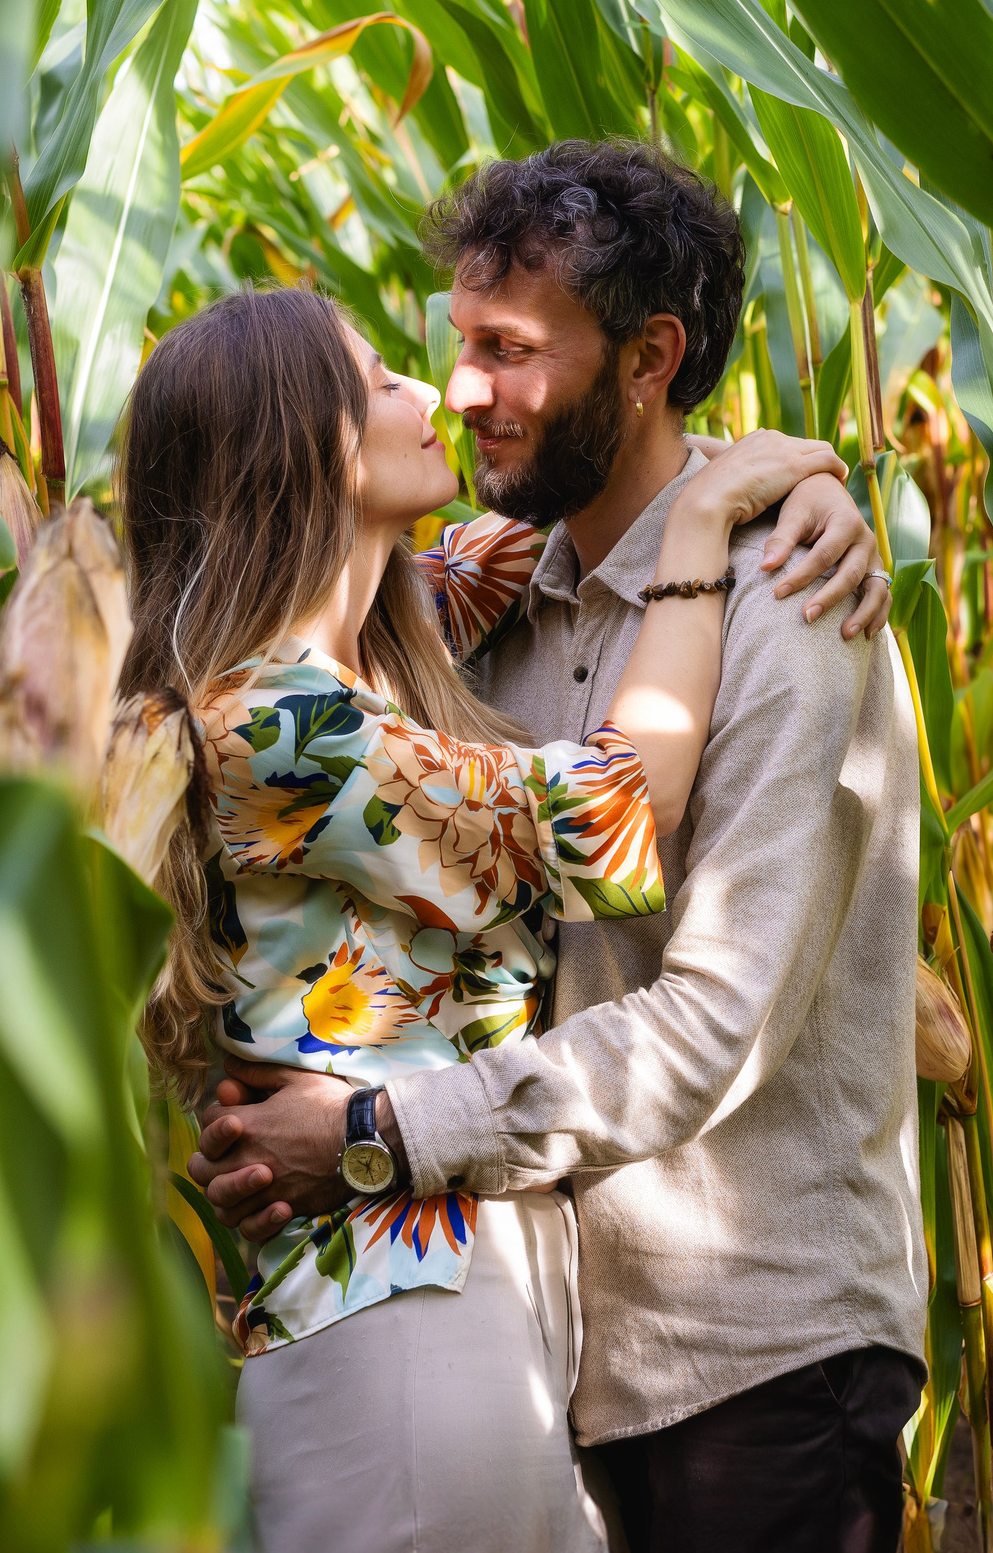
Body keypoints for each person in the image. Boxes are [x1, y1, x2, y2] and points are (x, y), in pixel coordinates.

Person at [191, 140, 929, 1553]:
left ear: (650, 356)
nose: (464, 392)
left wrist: (367, 1134)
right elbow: (283, 553)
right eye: (452, 346)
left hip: (754, 1348)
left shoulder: (789, 608)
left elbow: (712, 1022)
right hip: (548, 1350)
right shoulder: (477, 603)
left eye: (510, 351)